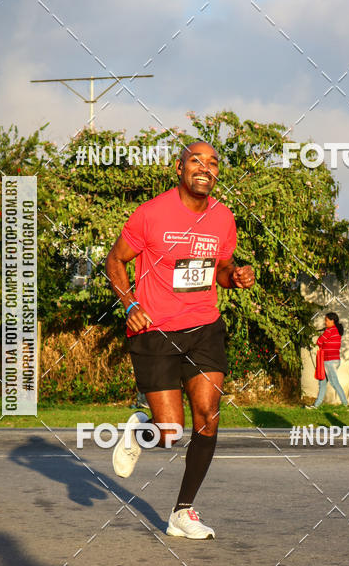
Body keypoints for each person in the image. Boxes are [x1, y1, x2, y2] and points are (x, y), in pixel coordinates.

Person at [105, 141, 255, 539]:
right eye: (196, 161)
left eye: (212, 163)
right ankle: (140, 430)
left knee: (208, 417)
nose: (205, 168)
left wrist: (235, 276)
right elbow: (114, 260)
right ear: (179, 168)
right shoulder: (151, 213)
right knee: (169, 432)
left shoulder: (223, 218)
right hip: (154, 330)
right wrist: (128, 302)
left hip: (204, 326)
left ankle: (182, 512)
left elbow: (219, 270)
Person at [309, 312, 348, 408]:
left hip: (329, 360)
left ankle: (345, 404)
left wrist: (324, 341)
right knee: (322, 383)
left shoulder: (330, 330)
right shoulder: (336, 330)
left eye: (326, 320)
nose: (325, 322)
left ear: (332, 321)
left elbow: (319, 341)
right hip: (334, 360)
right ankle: (316, 405)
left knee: (334, 382)